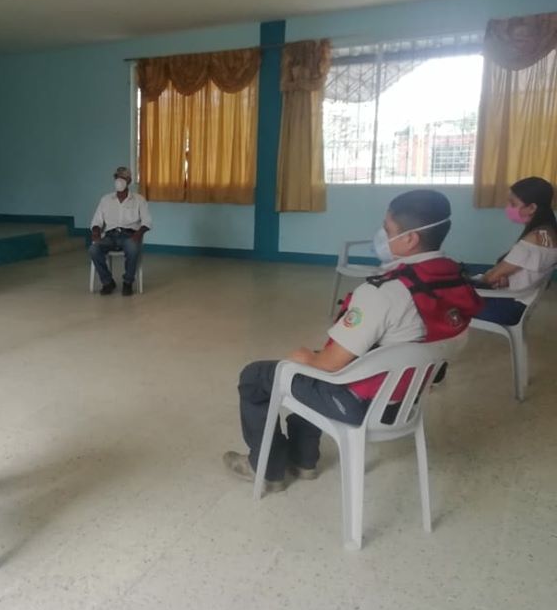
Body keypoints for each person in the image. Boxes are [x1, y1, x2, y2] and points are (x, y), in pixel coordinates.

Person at [223, 190, 483, 492]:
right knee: (312, 376)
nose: (382, 236)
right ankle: (304, 460)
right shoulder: (456, 280)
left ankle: (266, 469)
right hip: (405, 399)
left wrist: (304, 357)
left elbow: (330, 365)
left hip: (360, 403)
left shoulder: (385, 293)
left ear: (411, 239)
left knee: (257, 376)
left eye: (387, 229)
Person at [471, 177, 557, 325]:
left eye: (513, 204)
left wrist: (477, 281)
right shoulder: (549, 232)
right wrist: (505, 278)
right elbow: (524, 271)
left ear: (532, 208)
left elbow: (490, 278)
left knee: (442, 295)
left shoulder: (532, 240)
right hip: (517, 299)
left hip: (507, 307)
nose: (508, 208)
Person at [89, 166, 152, 296]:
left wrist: (139, 234)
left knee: (133, 248)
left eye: (123, 177)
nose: (120, 180)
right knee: (94, 249)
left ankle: (127, 282)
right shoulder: (106, 200)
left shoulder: (139, 200)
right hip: (110, 236)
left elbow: (147, 222)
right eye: (117, 177)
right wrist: (95, 231)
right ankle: (107, 282)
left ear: (129, 180)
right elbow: (96, 221)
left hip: (130, 235)